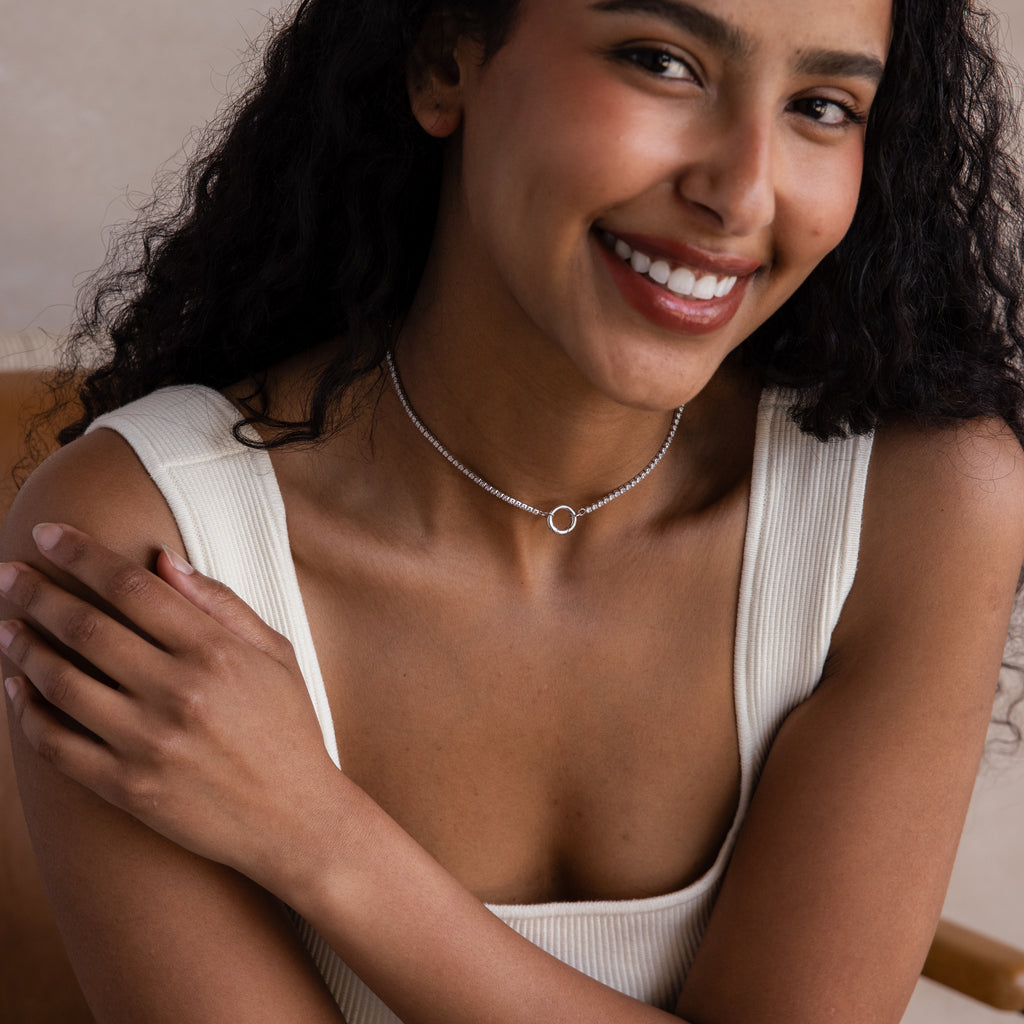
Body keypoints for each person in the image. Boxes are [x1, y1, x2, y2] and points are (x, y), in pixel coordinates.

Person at [2, 0, 1024, 1020]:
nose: (742, 191)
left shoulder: (917, 505)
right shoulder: (148, 538)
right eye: (661, 62)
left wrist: (321, 838)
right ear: (445, 60)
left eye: (821, 105)